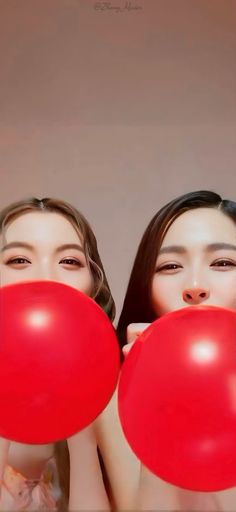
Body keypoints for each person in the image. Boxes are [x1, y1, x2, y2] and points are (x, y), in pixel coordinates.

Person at [114, 190, 236, 510]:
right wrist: (153, 396)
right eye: (170, 266)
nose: (195, 285)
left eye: (222, 262)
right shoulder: (116, 398)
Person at [0, 196, 116, 511]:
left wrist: (82, 424)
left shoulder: (116, 398)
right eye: (19, 260)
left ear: (93, 286)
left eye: (69, 261)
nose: (46, 277)